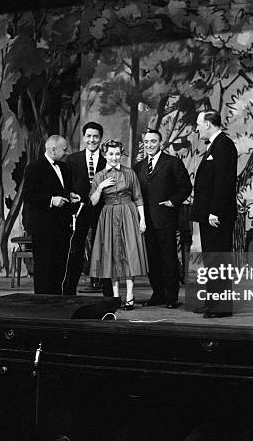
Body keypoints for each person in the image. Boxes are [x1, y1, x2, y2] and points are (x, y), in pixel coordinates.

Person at [133, 129, 191, 309]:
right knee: (152, 260)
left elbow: (185, 187)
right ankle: (158, 294)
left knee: (169, 258)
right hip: (145, 222)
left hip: (166, 219)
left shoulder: (172, 163)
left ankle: (172, 297)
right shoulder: (138, 166)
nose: (150, 145)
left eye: (153, 141)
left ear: (161, 143)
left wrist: (173, 202)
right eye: (147, 142)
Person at [89, 139, 148, 309]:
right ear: (104, 155)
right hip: (108, 214)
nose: (114, 157)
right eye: (110, 154)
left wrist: (142, 219)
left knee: (129, 253)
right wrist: (100, 187)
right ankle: (115, 296)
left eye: (117, 154)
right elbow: (92, 202)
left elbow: (138, 197)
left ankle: (129, 294)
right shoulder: (99, 176)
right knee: (111, 254)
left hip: (128, 213)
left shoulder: (130, 173)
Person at [191, 110, 238, 318]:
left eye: (199, 124)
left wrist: (215, 211)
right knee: (212, 261)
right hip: (209, 215)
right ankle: (212, 303)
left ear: (208, 124)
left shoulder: (224, 146)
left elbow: (224, 182)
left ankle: (222, 307)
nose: (197, 128)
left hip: (217, 216)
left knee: (219, 260)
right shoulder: (215, 145)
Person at [22, 135, 80, 294]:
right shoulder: (34, 168)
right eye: (65, 149)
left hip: (62, 226)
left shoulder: (63, 167)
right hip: (43, 227)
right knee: (44, 266)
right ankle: (42, 302)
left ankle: (56, 300)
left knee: (59, 265)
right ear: (53, 150)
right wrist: (50, 200)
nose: (67, 152)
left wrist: (70, 196)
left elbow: (64, 191)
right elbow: (28, 195)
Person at [63, 121, 110, 296]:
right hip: (79, 212)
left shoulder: (107, 161)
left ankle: (107, 292)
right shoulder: (72, 159)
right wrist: (69, 195)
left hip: (102, 212)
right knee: (75, 250)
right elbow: (65, 185)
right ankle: (69, 291)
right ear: (84, 137)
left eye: (95, 136)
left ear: (100, 138)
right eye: (89, 136)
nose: (92, 140)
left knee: (105, 250)